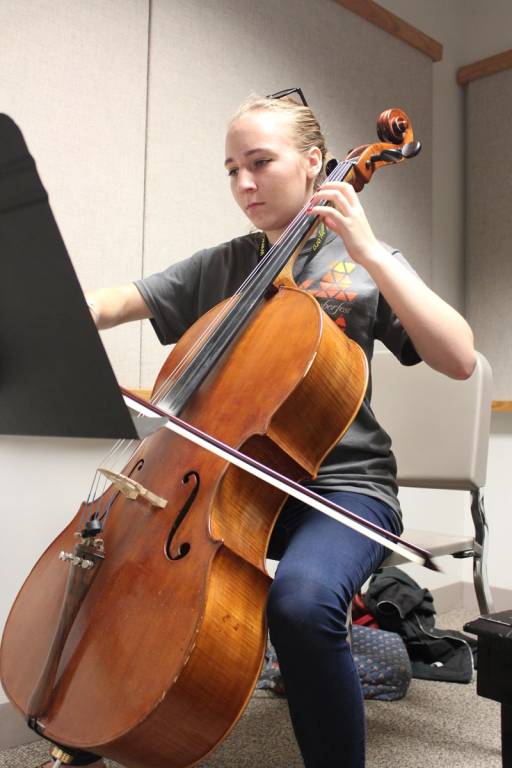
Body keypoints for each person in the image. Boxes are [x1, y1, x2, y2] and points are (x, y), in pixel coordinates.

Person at [41, 94, 475, 768]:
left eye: (261, 163)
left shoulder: (362, 264)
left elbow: (459, 357)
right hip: (227, 481)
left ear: (312, 162)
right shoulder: (225, 265)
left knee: (301, 604)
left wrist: (369, 251)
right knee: (115, 567)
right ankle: (91, 725)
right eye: (231, 170)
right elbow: (117, 300)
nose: (244, 184)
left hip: (341, 490)